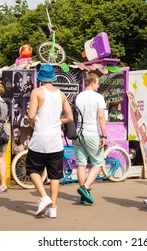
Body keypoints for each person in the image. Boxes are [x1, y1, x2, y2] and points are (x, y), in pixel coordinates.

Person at [26, 64, 72, 218]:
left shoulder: (37, 92)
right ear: (52, 78)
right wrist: (58, 120)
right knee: (54, 175)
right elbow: (70, 117)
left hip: (39, 138)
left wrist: (33, 123)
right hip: (55, 141)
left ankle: (43, 197)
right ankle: (53, 208)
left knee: (32, 169)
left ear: (40, 78)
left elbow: (31, 116)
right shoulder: (61, 95)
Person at [74, 72, 107, 204]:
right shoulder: (98, 97)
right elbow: (101, 117)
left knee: (81, 164)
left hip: (78, 133)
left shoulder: (79, 97)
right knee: (98, 163)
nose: (98, 86)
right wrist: (104, 135)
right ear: (92, 83)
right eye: (97, 83)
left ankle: (83, 196)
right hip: (91, 133)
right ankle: (85, 188)